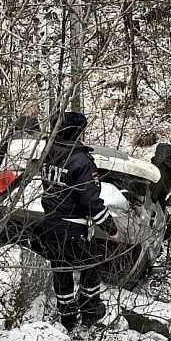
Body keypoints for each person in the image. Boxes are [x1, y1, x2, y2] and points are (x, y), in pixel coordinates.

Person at [37, 111, 119, 330]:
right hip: (74, 228)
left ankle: (67, 317)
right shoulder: (80, 160)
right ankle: (90, 311)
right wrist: (110, 227)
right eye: (82, 131)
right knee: (91, 266)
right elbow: (90, 201)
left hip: (51, 225)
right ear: (76, 132)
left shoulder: (48, 152)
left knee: (61, 270)